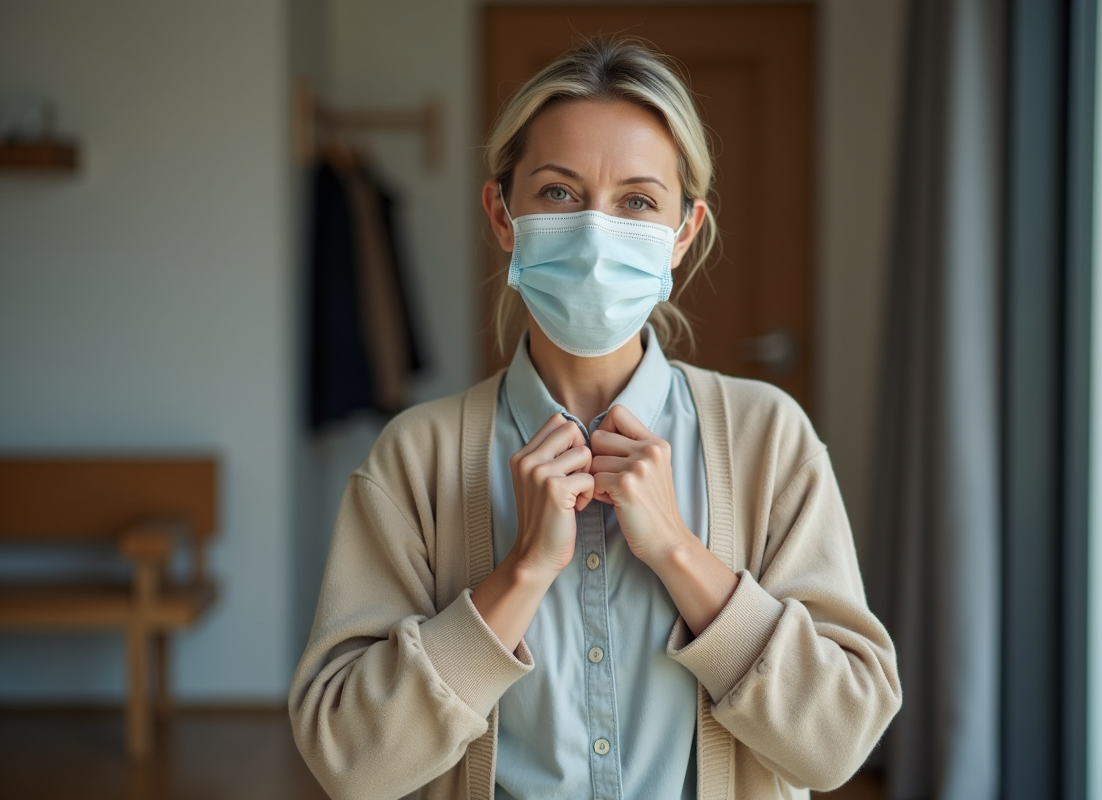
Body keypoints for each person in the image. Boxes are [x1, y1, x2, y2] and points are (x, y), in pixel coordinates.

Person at [289, 37, 901, 800]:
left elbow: (837, 743)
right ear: (502, 214)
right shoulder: (415, 458)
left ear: (682, 232)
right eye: (557, 192)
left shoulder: (769, 439)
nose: (594, 232)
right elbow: (350, 761)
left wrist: (681, 552)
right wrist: (518, 576)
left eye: (638, 201)